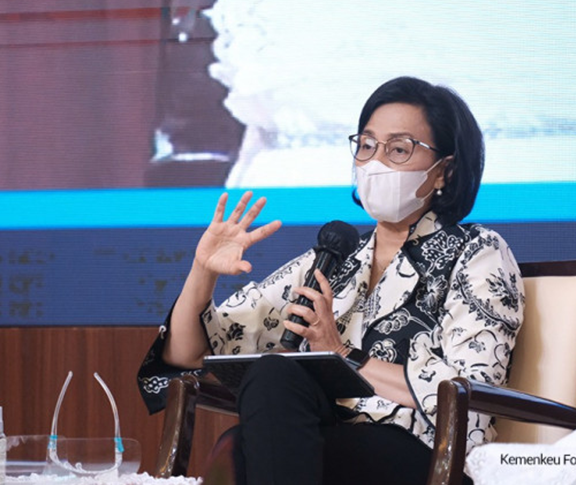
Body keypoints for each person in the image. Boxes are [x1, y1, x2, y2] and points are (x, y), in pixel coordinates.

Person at [138, 76, 525, 485]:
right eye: (367, 145)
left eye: (398, 149)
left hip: (429, 456)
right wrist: (203, 270)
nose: (375, 163)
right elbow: (187, 354)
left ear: (445, 171)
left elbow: (471, 392)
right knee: (271, 378)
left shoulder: (477, 251)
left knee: (244, 449)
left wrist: (342, 353)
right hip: (330, 453)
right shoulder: (335, 259)